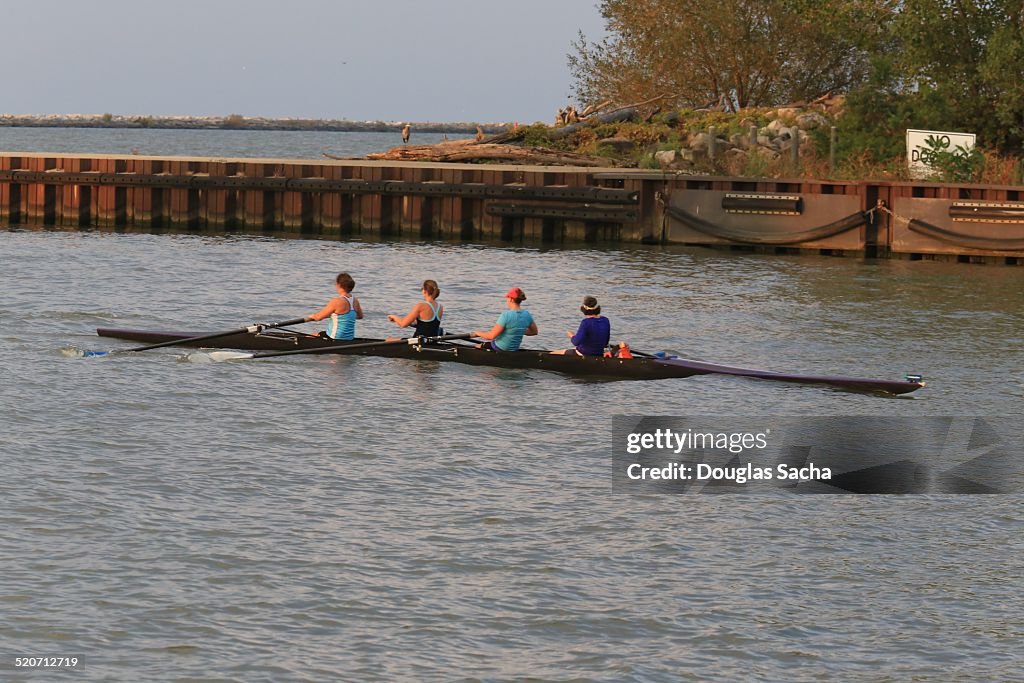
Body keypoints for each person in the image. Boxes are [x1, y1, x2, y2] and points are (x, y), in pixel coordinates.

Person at [471, 287, 538, 351]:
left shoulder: (506, 315)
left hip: (500, 348)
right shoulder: (527, 314)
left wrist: (478, 333)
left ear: (511, 299)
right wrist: (518, 331)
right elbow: (534, 332)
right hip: (514, 349)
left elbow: (491, 336)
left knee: (477, 346)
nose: (506, 300)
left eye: (507, 298)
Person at [305, 272, 363, 340]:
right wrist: (337, 316)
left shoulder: (336, 301)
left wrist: (311, 316)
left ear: (338, 285)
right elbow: (360, 316)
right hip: (349, 338)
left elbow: (318, 317)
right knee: (321, 333)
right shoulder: (355, 301)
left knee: (311, 336)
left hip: (334, 338)